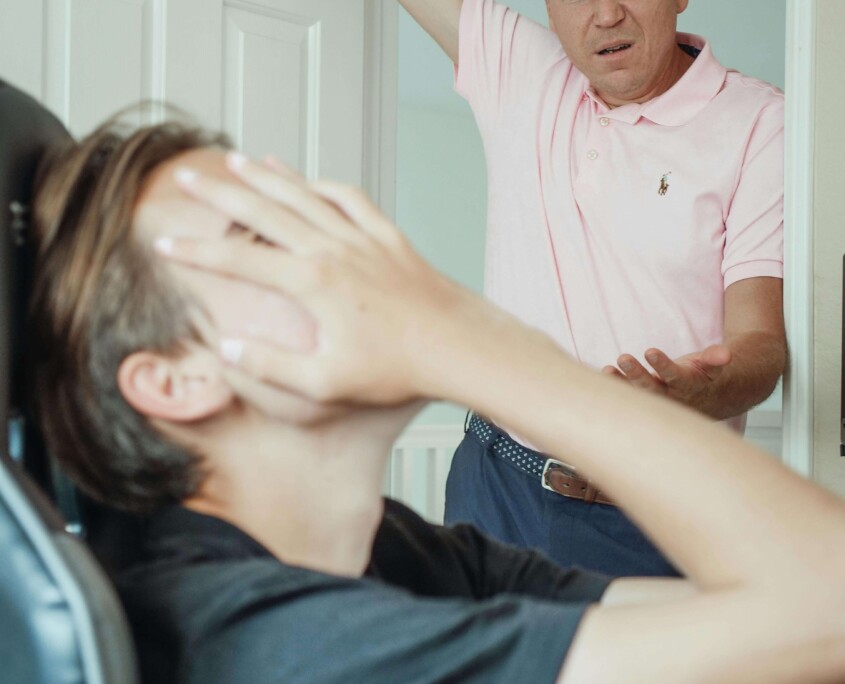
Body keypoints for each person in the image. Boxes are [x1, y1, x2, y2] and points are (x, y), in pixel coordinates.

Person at [30, 119, 845, 683]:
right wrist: (470, 343)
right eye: (260, 237)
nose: (340, 242)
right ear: (174, 381)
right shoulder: (260, 641)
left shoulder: (391, 553)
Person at [397, 0, 787, 576]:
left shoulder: (762, 122)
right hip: (493, 482)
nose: (605, 14)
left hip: (655, 516)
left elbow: (760, 341)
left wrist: (703, 391)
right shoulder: (521, 67)